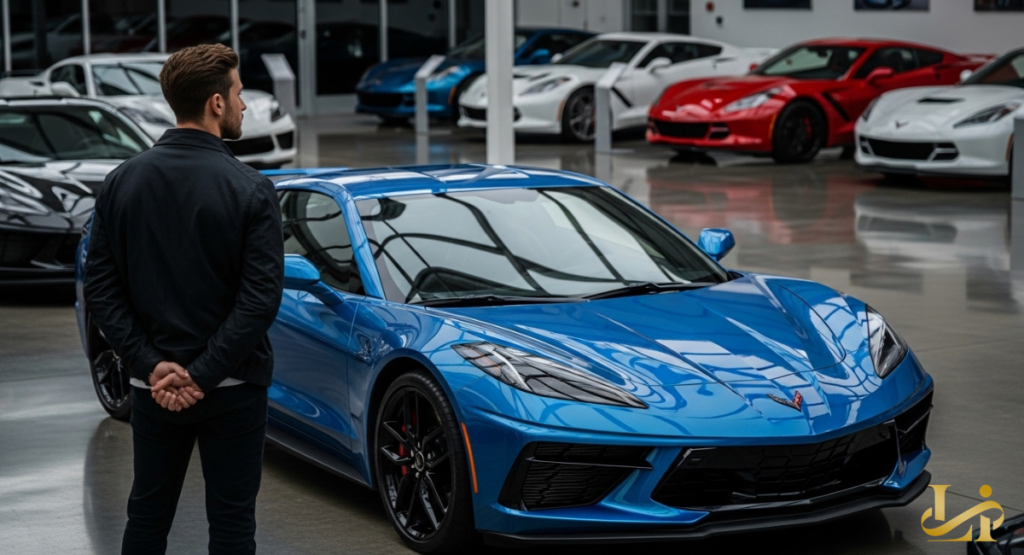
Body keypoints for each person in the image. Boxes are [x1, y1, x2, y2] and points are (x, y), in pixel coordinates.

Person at [83, 43, 284, 555]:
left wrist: (154, 368)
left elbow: (102, 291)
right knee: (234, 525)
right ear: (216, 103)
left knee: (146, 516)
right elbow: (259, 300)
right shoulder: (251, 188)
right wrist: (203, 373)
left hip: (154, 390)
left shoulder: (121, 183)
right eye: (238, 94)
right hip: (234, 387)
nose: (243, 106)